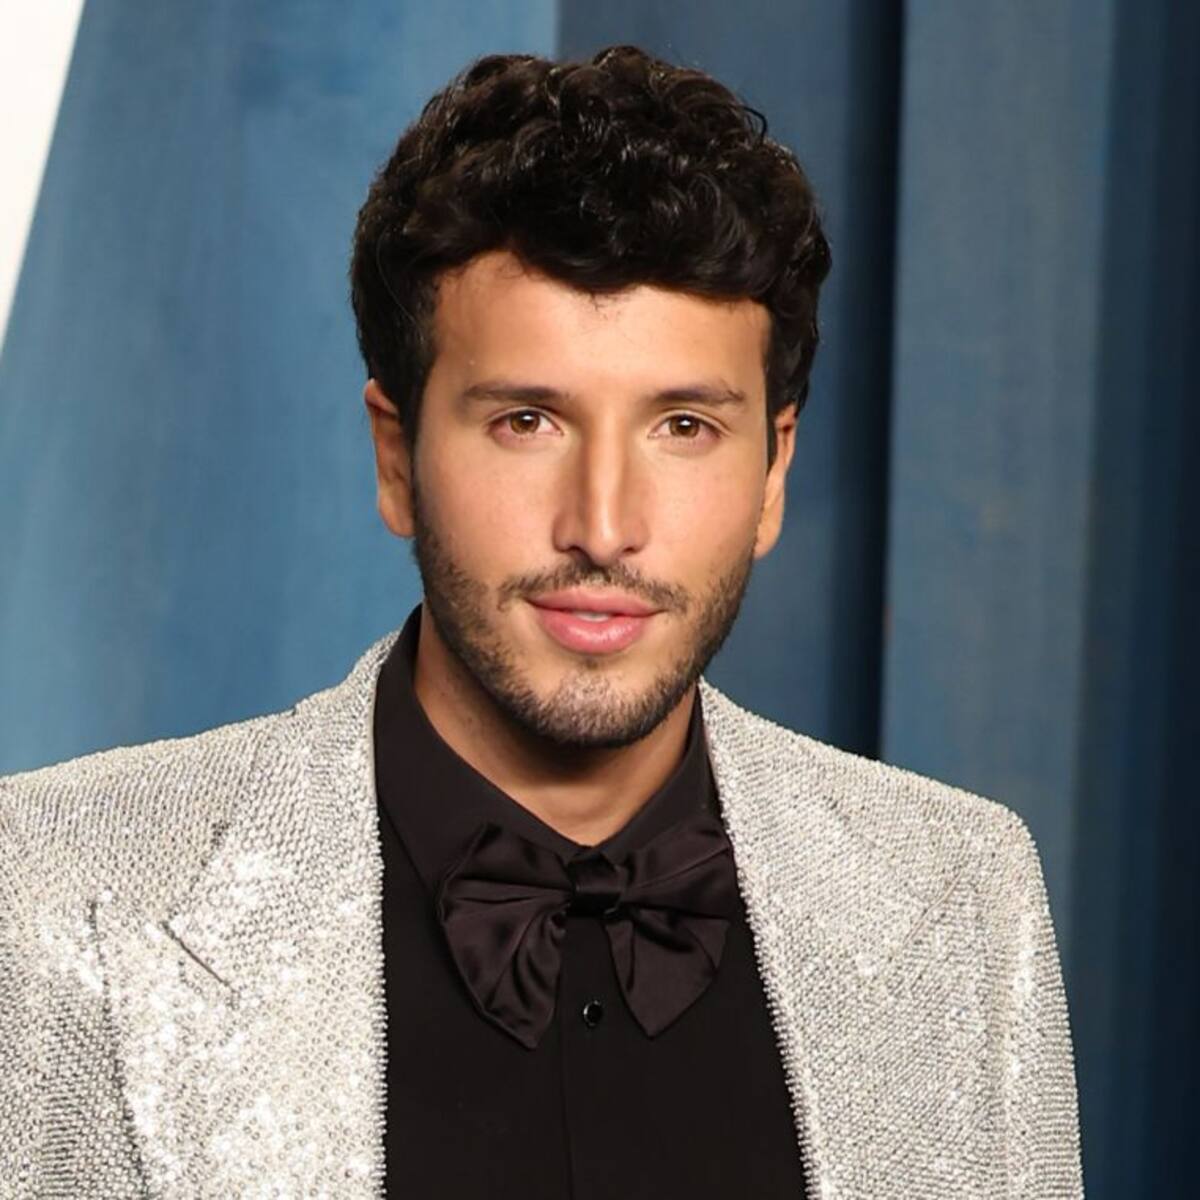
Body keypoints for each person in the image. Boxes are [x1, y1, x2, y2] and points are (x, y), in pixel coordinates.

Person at [0, 44, 1082, 1199]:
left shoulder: (963, 897)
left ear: (773, 472)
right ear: (397, 457)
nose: (603, 528)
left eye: (683, 427)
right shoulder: (56, 892)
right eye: (527, 421)